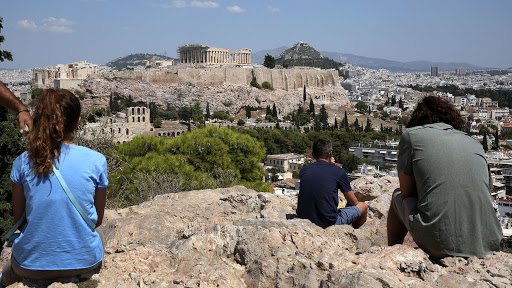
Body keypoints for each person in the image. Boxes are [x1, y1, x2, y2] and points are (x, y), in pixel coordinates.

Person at [1, 89, 108, 286]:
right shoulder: (96, 160)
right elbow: (98, 219)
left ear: (39, 121)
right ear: (77, 122)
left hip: (31, 265)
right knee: (102, 233)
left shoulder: (23, 162)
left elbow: (19, 219)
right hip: (83, 263)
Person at [387, 96, 503, 258]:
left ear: (417, 119)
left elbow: (407, 193)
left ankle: (391, 254)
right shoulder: (474, 143)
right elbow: (485, 189)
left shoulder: (411, 136)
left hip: (440, 244)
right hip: (487, 245)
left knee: (397, 196)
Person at [297, 137, 367, 229]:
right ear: (330, 154)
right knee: (363, 206)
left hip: (304, 218)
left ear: (313, 155)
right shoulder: (338, 172)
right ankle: (355, 230)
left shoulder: (304, 170)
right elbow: (353, 202)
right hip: (328, 222)